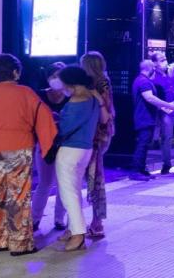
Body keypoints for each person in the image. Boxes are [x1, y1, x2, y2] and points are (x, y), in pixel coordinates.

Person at [0, 54, 57, 256]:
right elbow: (44, 117)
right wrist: (48, 145)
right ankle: (19, 243)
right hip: (19, 146)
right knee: (19, 195)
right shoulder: (26, 93)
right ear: (15, 72)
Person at [53, 65, 105, 252]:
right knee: (75, 191)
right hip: (86, 149)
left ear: (71, 84)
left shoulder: (76, 100)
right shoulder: (92, 98)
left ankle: (78, 234)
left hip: (69, 150)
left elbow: (64, 128)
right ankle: (75, 229)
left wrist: (54, 120)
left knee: (68, 193)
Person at [80, 51, 114, 238]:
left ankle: (97, 222)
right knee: (94, 176)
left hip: (95, 136)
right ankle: (95, 221)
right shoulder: (103, 81)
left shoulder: (98, 84)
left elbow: (104, 111)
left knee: (95, 177)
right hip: (101, 135)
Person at [31, 62, 68, 233]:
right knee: (44, 183)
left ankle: (59, 219)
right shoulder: (40, 96)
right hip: (45, 144)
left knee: (63, 184)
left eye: (60, 76)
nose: (57, 80)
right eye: (53, 76)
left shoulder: (71, 96)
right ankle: (35, 218)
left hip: (67, 145)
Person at [130, 60, 174, 181]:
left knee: (145, 144)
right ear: (150, 68)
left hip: (146, 117)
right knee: (142, 144)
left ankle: (141, 169)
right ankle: (136, 171)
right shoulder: (143, 81)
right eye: (153, 68)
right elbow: (150, 98)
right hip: (144, 117)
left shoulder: (141, 80)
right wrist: (168, 105)